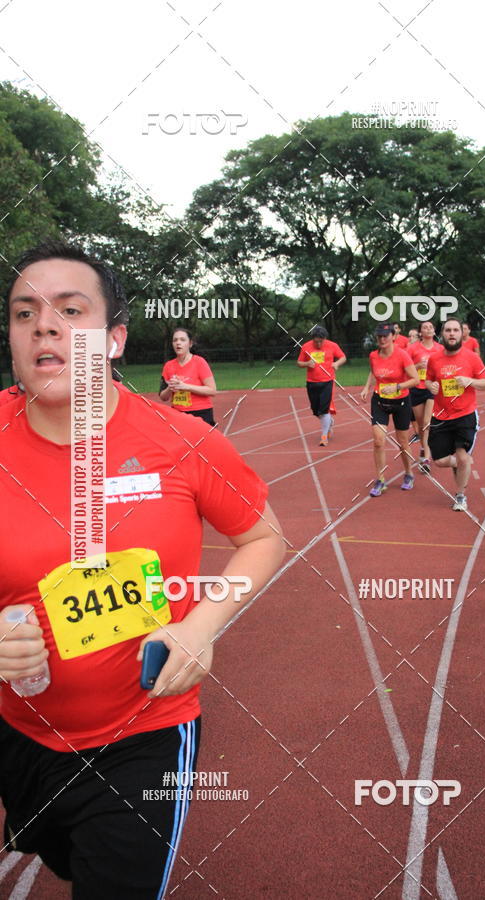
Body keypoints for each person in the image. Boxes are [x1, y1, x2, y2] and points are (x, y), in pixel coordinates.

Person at [0, 240, 285, 898]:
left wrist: (202, 624)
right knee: (61, 846)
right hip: (16, 733)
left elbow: (264, 538)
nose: (44, 325)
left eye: (71, 311)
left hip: (144, 734)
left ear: (114, 339)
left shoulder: (185, 444)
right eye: (24, 314)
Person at [425, 318, 485, 511]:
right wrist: (432, 386)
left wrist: (469, 381)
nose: (452, 334)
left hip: (465, 415)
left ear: (462, 334)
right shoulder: (435, 359)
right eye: (448, 330)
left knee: (463, 457)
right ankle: (459, 464)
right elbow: (428, 381)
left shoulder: (471, 357)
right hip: (441, 416)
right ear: (442, 334)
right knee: (439, 461)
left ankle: (460, 495)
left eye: (455, 330)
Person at [360, 322, 419, 496]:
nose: (382, 339)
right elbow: (373, 372)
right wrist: (366, 388)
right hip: (380, 402)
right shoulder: (373, 355)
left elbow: (415, 379)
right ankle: (380, 479)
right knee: (378, 441)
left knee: (402, 442)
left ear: (393, 337)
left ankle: (408, 473)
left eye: (386, 336)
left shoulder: (402, 355)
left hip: (401, 402)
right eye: (379, 336)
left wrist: (397, 387)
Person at [297, 325, 346, 447]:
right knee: (316, 411)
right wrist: (307, 363)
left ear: (325, 339)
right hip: (312, 382)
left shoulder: (332, 345)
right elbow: (299, 362)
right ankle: (329, 421)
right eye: (316, 341)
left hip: (327, 381)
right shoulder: (306, 347)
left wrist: (337, 363)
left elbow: (343, 357)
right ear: (312, 339)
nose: (318, 344)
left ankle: (324, 436)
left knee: (324, 410)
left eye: (321, 341)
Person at [159, 328, 217, 426]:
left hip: (201, 412)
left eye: (182, 340)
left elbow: (212, 390)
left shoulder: (199, 362)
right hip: (178, 413)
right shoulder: (168, 366)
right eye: (175, 340)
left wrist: (186, 387)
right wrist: (170, 388)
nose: (178, 343)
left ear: (190, 344)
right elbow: (163, 397)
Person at [407, 321, 443, 474]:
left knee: (427, 422)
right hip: (416, 388)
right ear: (420, 332)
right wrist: (417, 367)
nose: (428, 329)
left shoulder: (440, 348)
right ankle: (424, 446)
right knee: (421, 425)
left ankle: (426, 458)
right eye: (424, 327)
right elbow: (405, 368)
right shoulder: (412, 348)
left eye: (430, 327)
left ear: (434, 331)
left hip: (432, 388)